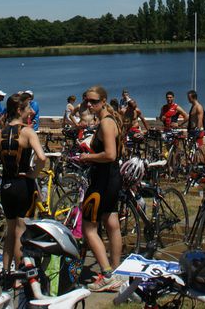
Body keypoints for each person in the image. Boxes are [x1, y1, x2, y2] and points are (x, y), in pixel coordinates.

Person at [77, 85, 125, 292]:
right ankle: (116, 270)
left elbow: (110, 154)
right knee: (112, 221)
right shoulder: (111, 121)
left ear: (104, 101)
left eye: (94, 101)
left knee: (88, 228)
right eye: (87, 100)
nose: (90, 104)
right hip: (113, 177)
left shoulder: (106, 123)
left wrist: (88, 156)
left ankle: (106, 274)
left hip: (103, 179)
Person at [0, 93, 47, 272]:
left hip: (6, 184)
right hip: (23, 184)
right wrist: (34, 173)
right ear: (19, 110)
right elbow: (41, 157)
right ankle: (20, 273)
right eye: (28, 108)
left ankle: (5, 270)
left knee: (10, 230)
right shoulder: (27, 132)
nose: (31, 111)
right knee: (21, 230)